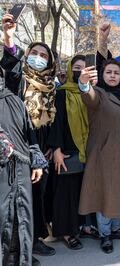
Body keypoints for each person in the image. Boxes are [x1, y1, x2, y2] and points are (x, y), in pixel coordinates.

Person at [0, 13, 57, 259]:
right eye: (35, 53)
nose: (39, 59)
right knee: (15, 203)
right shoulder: (18, 81)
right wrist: (9, 40)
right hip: (18, 146)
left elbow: (59, 119)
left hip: (40, 147)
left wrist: (50, 148)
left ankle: (32, 241)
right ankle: (18, 248)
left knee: (35, 200)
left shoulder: (53, 85)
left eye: (44, 56)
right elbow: (11, 71)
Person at [78, 59, 120, 254]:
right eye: (109, 72)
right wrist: (84, 83)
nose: (113, 75)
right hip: (104, 153)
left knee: (118, 193)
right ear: (102, 76)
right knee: (104, 194)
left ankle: (116, 228)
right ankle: (105, 234)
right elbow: (88, 96)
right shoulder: (100, 94)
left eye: (116, 72)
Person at [0, 68, 47, 266]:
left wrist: (36, 160)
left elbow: (30, 134)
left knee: (23, 219)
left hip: (22, 170)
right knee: (3, 221)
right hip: (2, 172)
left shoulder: (14, 100)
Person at [47, 55, 87, 250]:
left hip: (86, 150)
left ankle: (80, 226)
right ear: (71, 70)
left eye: (84, 68)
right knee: (66, 193)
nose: (80, 71)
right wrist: (56, 150)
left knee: (81, 191)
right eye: (77, 67)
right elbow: (57, 122)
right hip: (67, 151)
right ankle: (65, 231)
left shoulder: (89, 93)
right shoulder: (62, 93)